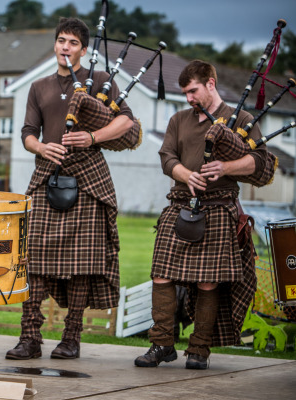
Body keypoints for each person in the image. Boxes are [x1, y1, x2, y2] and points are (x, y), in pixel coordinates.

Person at [5, 17, 140, 360]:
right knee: (32, 259)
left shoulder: (100, 81)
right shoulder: (39, 87)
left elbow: (128, 122)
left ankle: (71, 337)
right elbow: (27, 132)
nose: (65, 47)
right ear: (55, 44)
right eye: (61, 40)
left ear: (83, 49)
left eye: (73, 43)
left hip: (89, 180)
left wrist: (92, 136)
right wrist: (40, 147)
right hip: (47, 174)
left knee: (82, 263)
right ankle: (30, 337)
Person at [134, 60, 269, 370]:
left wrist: (226, 167)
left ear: (211, 83)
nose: (189, 98)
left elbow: (259, 163)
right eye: (185, 93)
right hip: (180, 203)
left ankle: (199, 350)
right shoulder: (179, 119)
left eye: (193, 91)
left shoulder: (241, 120)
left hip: (220, 207)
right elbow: (167, 156)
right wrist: (185, 174)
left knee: (208, 282)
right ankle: (162, 344)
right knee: (161, 273)